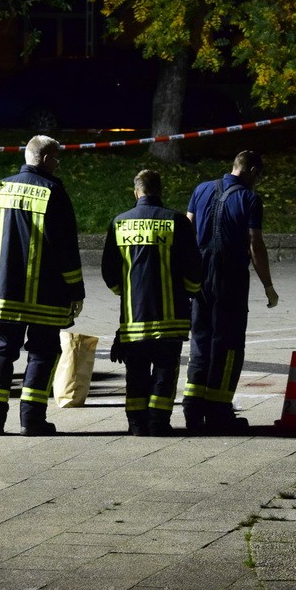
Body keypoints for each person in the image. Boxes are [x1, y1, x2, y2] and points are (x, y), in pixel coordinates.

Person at [0, 135, 85, 436]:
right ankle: (32, 420)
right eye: (57, 159)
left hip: (3, 290)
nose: (58, 164)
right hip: (44, 293)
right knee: (42, 353)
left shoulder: (0, 188)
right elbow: (65, 247)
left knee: (1, 351)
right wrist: (76, 289)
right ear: (47, 159)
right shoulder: (54, 191)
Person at [183, 151, 278, 434]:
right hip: (230, 276)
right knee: (228, 343)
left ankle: (192, 407)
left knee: (200, 339)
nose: (257, 181)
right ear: (249, 169)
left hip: (199, 274)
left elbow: (187, 229)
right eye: (257, 175)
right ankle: (218, 411)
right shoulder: (249, 199)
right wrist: (268, 285)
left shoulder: (201, 189)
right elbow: (254, 243)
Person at [101, 169, 203, 436]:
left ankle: (136, 424)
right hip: (170, 318)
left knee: (135, 372)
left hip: (134, 318)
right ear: (159, 191)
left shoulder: (119, 222)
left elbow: (109, 271)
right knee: (165, 371)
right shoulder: (177, 221)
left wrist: (125, 293)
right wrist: (189, 292)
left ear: (136, 192)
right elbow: (193, 268)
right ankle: (158, 423)